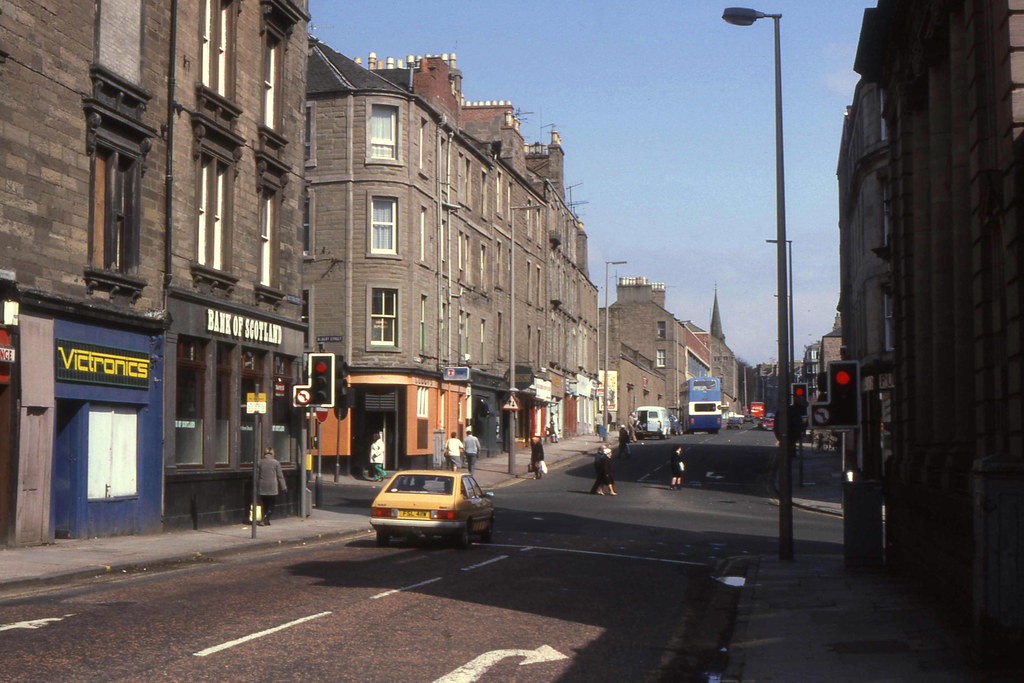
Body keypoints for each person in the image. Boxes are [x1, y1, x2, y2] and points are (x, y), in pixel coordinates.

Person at [255, 447, 287, 526]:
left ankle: (265, 520)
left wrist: (256, 486)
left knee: (264, 504)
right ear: (272, 453)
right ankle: (265, 518)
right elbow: (280, 476)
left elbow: (256, 475)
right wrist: (284, 487)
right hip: (272, 486)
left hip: (262, 486)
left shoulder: (259, 462)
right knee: (271, 504)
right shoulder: (276, 463)